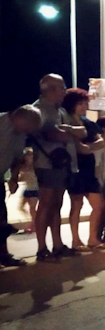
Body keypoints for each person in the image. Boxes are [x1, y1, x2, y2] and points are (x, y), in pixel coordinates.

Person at [31, 74, 87, 262]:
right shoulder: (38, 110)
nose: (64, 92)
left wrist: (65, 130)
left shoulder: (59, 110)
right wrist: (69, 131)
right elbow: (53, 135)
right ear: (52, 89)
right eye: (62, 88)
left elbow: (82, 132)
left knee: (57, 205)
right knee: (46, 205)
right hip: (47, 164)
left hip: (62, 164)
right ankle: (42, 249)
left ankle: (58, 245)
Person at [63, 88, 105, 250]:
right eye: (80, 104)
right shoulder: (66, 121)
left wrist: (89, 147)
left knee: (98, 204)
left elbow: (101, 142)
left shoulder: (88, 123)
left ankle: (92, 239)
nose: (84, 107)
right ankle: (76, 240)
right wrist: (88, 147)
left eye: (85, 103)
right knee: (76, 204)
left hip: (88, 167)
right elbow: (79, 148)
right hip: (74, 167)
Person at [0, 106, 42, 266]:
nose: (28, 132)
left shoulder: (20, 133)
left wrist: (14, 178)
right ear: (21, 119)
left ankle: (3, 255)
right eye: (28, 127)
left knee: (1, 218)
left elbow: (17, 157)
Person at [17, 149, 39, 233]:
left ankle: (34, 225)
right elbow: (21, 178)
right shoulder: (23, 167)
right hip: (27, 189)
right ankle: (33, 222)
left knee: (32, 208)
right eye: (28, 155)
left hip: (35, 189)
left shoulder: (36, 167)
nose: (29, 157)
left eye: (31, 155)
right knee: (21, 207)